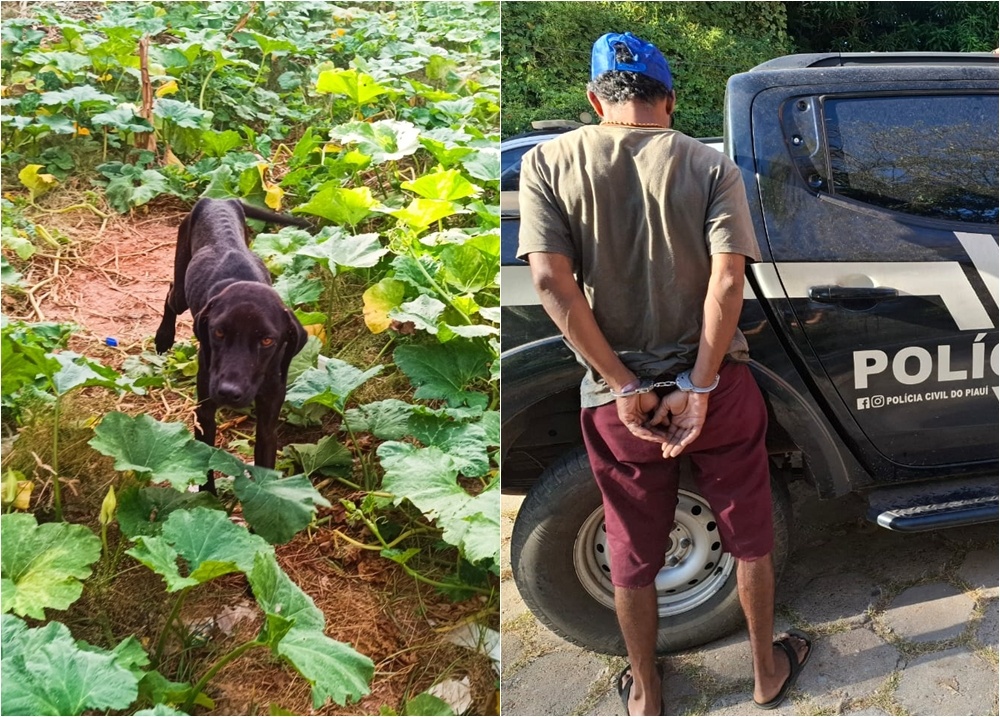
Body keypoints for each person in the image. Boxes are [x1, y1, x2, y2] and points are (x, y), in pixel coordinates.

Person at [516, 31, 812, 716]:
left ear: (595, 99)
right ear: (670, 101)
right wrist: (700, 385)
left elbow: (550, 282)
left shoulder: (548, 164)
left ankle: (646, 691)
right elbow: (728, 280)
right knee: (750, 528)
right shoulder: (710, 166)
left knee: (630, 542)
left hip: (619, 404)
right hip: (718, 386)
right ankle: (766, 670)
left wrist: (623, 382)